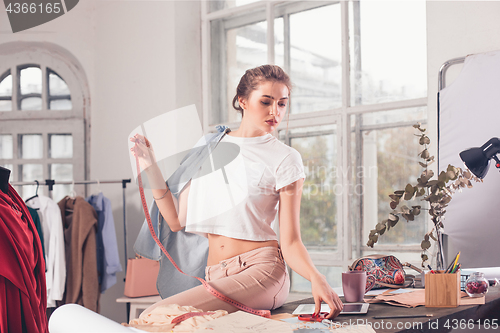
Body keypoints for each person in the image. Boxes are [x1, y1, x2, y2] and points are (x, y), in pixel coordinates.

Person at [129, 64, 343, 319]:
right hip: (214, 273)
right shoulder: (209, 148)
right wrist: (149, 165)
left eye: (282, 104)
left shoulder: (285, 158)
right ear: (242, 100)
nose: (275, 112)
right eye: (266, 102)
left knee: (156, 315)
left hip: (261, 271)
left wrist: (316, 278)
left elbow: (291, 241)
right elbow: (175, 220)